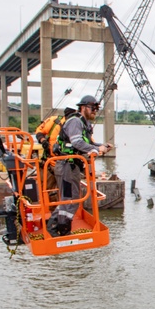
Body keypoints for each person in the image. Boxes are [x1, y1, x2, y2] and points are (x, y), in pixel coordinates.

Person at [50, 95, 112, 236]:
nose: (95, 111)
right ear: (83, 107)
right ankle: (56, 228)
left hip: (71, 167)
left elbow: (88, 142)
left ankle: (61, 227)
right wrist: (96, 150)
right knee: (69, 199)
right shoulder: (75, 122)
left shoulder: (84, 124)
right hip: (66, 166)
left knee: (72, 198)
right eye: (93, 108)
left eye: (96, 109)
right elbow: (77, 142)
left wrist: (102, 146)